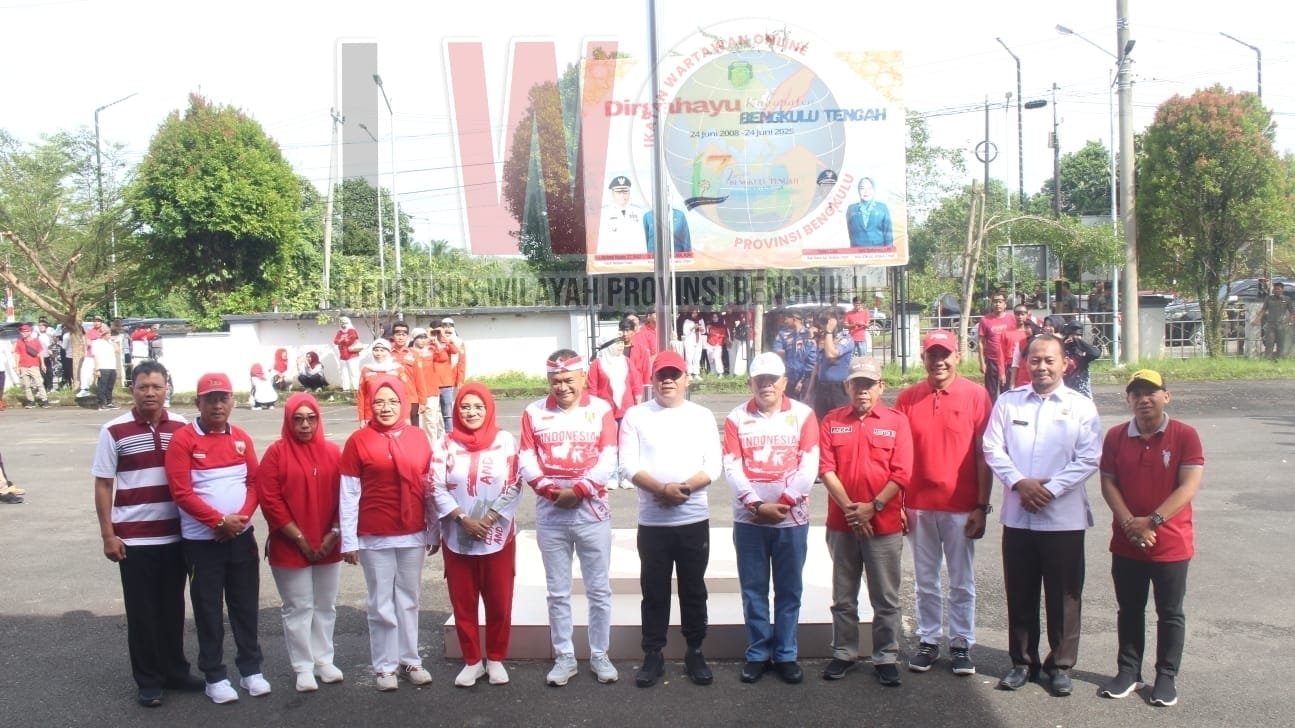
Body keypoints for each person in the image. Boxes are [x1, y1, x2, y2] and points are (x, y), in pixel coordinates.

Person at [983, 335, 1101, 697]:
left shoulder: (1081, 406)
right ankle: (1022, 662)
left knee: (1064, 595)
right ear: (1025, 362)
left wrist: (1049, 489)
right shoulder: (1008, 402)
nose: (1042, 367)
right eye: (1035, 360)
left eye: (1050, 360)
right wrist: (1021, 483)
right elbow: (991, 447)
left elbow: (1090, 457)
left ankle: (1061, 665)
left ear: (1066, 363)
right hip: (1019, 515)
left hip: (1063, 518)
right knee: (1020, 591)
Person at [91, 360, 202, 706]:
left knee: (172, 608)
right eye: (143, 387)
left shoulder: (183, 427)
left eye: (156, 386)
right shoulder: (114, 431)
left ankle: (175, 671)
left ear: (167, 387)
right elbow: (104, 484)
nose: (150, 393)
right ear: (132, 389)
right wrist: (108, 534)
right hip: (134, 539)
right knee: (142, 613)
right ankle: (149, 680)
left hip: (176, 535)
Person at [1097, 369, 1204, 708]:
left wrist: (1152, 522)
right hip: (1127, 540)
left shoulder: (1185, 435)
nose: (1144, 399)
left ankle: (1166, 677)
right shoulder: (1115, 436)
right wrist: (1130, 523)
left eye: (1151, 392)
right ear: (1128, 400)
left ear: (1166, 396)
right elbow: (1108, 482)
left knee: (1170, 612)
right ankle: (1129, 672)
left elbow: (1188, 486)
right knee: (1129, 608)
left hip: (1171, 542)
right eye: (1136, 394)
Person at [164, 372, 269, 704]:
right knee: (208, 609)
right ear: (198, 402)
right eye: (210, 399)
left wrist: (240, 521)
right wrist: (218, 521)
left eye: (223, 398)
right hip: (201, 543)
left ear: (232, 402)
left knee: (245, 606)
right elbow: (181, 492)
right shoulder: (183, 440)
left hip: (240, 537)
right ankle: (215, 676)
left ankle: (251, 671)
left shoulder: (241, 437)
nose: (217, 404)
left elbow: (255, 483)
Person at [620, 350, 722, 688]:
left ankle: (695, 651)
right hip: (653, 523)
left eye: (674, 374)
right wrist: (660, 488)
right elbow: (629, 465)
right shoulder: (636, 416)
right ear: (652, 379)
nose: (668, 380)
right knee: (654, 590)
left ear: (685, 378)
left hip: (693, 518)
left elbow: (713, 466)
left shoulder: (702, 415)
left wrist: (683, 489)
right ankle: (653, 654)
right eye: (662, 374)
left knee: (694, 589)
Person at [519, 350, 620, 686]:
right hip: (551, 517)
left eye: (568, 380)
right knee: (558, 592)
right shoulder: (533, 412)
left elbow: (608, 459)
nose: (562, 386)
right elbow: (526, 460)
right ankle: (564, 656)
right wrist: (550, 491)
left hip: (592, 514)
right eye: (555, 381)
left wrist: (578, 491)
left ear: (583, 378)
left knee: (599, 590)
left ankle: (600, 653)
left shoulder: (602, 409)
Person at [894, 331, 993, 676]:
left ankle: (962, 643)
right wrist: (899, 504)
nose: (939, 361)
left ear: (958, 356)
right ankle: (929, 640)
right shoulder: (908, 398)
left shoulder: (976, 396)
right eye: (932, 355)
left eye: (945, 355)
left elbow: (984, 455)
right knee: (925, 579)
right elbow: (899, 457)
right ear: (923, 359)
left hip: (961, 505)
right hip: (919, 504)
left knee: (962, 580)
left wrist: (982, 505)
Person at [722, 352, 819, 684]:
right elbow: (732, 466)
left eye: (772, 379)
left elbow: (809, 465)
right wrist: (754, 504)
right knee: (753, 589)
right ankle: (758, 653)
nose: (766, 385)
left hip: (792, 519)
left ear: (784, 383)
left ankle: (787, 654)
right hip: (750, 520)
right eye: (759, 379)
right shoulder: (736, 418)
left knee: (789, 590)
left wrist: (787, 501)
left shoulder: (804, 415)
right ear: (750, 383)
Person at [339, 376, 438, 692]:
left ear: (403, 403)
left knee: (409, 599)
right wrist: (349, 540)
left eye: (393, 401)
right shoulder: (359, 441)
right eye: (379, 401)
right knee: (381, 602)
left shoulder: (419, 437)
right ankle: (384, 667)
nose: (386, 407)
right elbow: (348, 493)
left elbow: (430, 486)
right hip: (374, 533)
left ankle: (411, 659)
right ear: (370, 404)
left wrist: (433, 529)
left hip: (411, 532)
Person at [818, 356, 912, 686]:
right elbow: (825, 469)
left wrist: (872, 507)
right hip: (843, 524)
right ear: (847, 386)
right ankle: (843, 652)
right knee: (844, 596)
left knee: (885, 597)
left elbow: (902, 472)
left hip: (883, 524)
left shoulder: (897, 421)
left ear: (881, 387)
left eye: (869, 385)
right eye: (857, 384)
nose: (863, 391)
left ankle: (885, 655)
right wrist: (851, 510)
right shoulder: (832, 421)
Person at [431, 383, 522, 688]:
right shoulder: (445, 443)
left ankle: (495, 658)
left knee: (499, 602)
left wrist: (491, 518)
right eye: (465, 407)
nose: (471, 413)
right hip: (458, 537)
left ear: (488, 409)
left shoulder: (505, 441)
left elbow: (515, 483)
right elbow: (435, 485)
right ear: (456, 410)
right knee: (463, 602)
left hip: (498, 536)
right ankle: (472, 661)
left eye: (478, 407)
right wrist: (463, 519)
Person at [255, 393, 344, 693]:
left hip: (328, 544)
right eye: (298, 419)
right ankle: (303, 667)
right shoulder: (276, 454)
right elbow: (270, 500)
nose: (305, 425)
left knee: (325, 604)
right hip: (289, 545)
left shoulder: (333, 453)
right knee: (298, 606)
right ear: (288, 420)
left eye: (311, 418)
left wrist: (333, 534)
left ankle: (324, 660)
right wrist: (300, 539)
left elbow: (345, 497)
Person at [585, 324, 644, 490]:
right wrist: (592, 411)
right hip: (606, 412)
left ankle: (626, 475)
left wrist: (638, 403)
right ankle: (611, 476)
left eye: (621, 343)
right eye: (617, 343)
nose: (620, 346)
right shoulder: (597, 364)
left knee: (626, 444)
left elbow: (635, 384)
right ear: (608, 346)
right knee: (609, 445)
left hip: (626, 410)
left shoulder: (626, 362)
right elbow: (592, 388)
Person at [810, 309, 851, 420]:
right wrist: (808, 393)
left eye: (823, 325)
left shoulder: (845, 339)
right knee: (821, 421)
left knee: (840, 421)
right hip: (822, 387)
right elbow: (817, 367)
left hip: (839, 389)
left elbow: (831, 355)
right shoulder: (825, 339)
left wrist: (828, 332)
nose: (821, 329)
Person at [976, 293, 1014, 403]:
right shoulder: (985, 320)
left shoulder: (1012, 319)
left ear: (1005, 304)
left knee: (1006, 391)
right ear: (992, 304)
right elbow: (980, 342)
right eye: (995, 301)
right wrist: (982, 363)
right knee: (990, 392)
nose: (997, 304)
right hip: (991, 361)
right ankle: (990, 415)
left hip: (1007, 361)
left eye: (1000, 301)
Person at [356, 338, 402, 426]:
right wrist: (361, 418)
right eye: (376, 350)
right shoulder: (366, 369)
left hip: (392, 414)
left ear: (388, 352)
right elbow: (361, 395)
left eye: (382, 350)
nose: (379, 353)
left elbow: (404, 395)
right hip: (370, 415)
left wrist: (405, 416)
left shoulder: (397, 369)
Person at [598, 175, 647, 256]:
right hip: (612, 261)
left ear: (629, 193)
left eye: (625, 192)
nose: (622, 196)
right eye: (619, 192)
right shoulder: (604, 213)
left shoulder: (638, 211)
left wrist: (643, 259)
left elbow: (641, 240)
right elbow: (601, 241)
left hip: (634, 260)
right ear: (612, 193)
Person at [773, 311, 816, 401]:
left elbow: (811, 361)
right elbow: (779, 350)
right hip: (790, 378)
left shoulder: (808, 335)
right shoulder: (789, 336)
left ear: (794, 319)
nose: (784, 321)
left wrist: (802, 381)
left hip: (803, 379)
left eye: (786, 319)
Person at [845, 177, 894, 247]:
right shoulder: (851, 209)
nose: (866, 191)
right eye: (862, 188)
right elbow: (851, 234)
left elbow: (888, 235)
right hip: (857, 253)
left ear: (874, 190)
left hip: (879, 253)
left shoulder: (882, 208)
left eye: (869, 188)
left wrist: (889, 254)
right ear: (858, 190)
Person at [1060, 320, 1101, 398]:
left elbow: (1096, 354)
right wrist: (1064, 343)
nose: (1075, 337)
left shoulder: (1083, 351)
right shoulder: (1062, 349)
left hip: (1082, 392)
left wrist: (1078, 341)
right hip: (1065, 390)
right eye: (1072, 335)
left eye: (1079, 335)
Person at [14, 323, 50, 409]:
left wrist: (43, 364)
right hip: (23, 366)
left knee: (39, 383)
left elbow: (41, 353)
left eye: (25, 331)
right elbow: (17, 354)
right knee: (26, 385)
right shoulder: (19, 342)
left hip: (34, 366)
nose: (23, 333)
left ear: (29, 332)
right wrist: (17, 366)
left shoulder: (36, 341)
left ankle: (44, 400)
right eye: (22, 331)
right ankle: (31, 401)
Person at [1255, 281, 1293, 360]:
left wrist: (1290, 321)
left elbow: (1292, 311)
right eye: (1275, 289)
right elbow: (1263, 310)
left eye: (1278, 289)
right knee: (1269, 343)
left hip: (1282, 325)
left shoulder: (1287, 299)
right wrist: (1256, 320)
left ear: (1282, 290)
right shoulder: (1268, 298)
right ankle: (1267, 359)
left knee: (1281, 344)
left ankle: (1278, 360)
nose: (1276, 291)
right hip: (1270, 325)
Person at [90, 322, 118, 410]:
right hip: (103, 367)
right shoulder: (97, 343)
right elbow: (95, 356)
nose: (109, 335)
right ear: (103, 334)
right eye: (108, 334)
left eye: (110, 333)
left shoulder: (110, 343)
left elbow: (117, 350)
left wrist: (112, 341)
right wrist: (97, 369)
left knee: (110, 386)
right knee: (102, 386)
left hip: (112, 367)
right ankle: (101, 404)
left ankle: (109, 402)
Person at [334, 316, 363, 391]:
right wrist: (342, 340)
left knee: (354, 372)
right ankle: (346, 388)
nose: (343, 325)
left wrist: (343, 340)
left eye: (345, 323)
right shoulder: (339, 332)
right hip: (343, 355)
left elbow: (351, 339)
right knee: (344, 372)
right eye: (341, 323)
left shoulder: (352, 330)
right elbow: (335, 341)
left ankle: (356, 388)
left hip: (352, 355)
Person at [681, 308, 704, 377]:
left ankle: (696, 373)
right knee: (689, 358)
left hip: (698, 341)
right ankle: (689, 374)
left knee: (697, 358)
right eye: (693, 313)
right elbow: (685, 332)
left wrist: (701, 329)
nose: (695, 314)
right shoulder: (687, 321)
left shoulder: (700, 320)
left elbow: (704, 331)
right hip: (690, 341)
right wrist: (693, 327)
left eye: (696, 313)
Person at [704, 311, 727, 376]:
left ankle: (720, 373)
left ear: (718, 318)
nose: (715, 318)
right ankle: (713, 372)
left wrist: (718, 343)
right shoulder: (710, 325)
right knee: (710, 358)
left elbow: (723, 336)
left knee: (717, 358)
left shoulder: (722, 326)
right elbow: (707, 333)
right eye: (713, 317)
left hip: (717, 345)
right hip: (709, 344)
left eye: (716, 317)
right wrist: (707, 328)